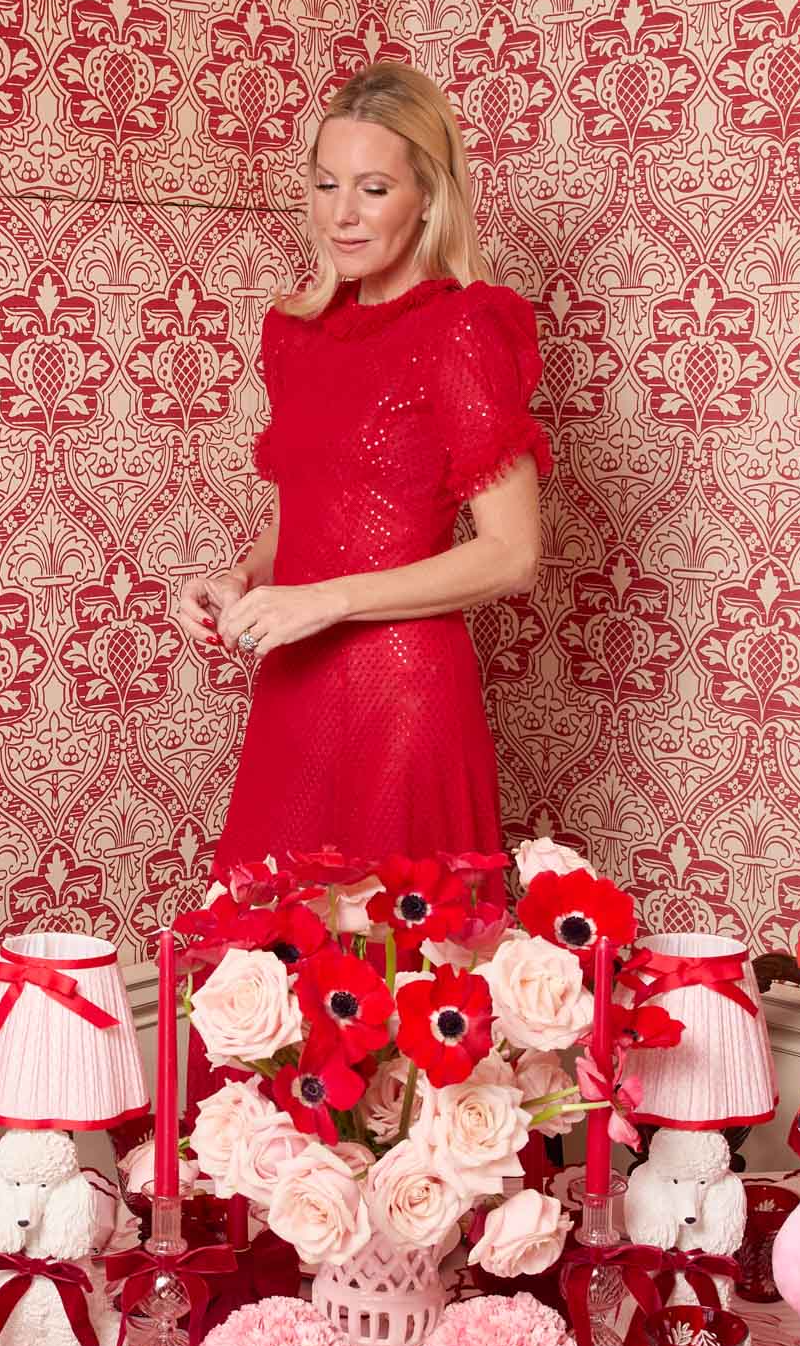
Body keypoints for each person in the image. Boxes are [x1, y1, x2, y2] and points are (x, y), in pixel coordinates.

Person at [174, 63, 549, 876]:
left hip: (404, 699)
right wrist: (241, 577)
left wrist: (329, 601)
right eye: (325, 184)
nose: (341, 215)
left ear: (427, 198)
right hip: (295, 691)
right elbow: (313, 511)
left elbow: (513, 555)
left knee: (401, 978)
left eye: (373, 189)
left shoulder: (461, 330)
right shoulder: (295, 333)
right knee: (269, 968)